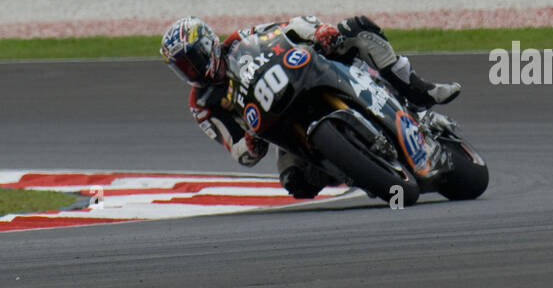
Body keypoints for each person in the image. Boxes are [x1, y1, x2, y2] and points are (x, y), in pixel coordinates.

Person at [160, 16, 462, 199]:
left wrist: (317, 32)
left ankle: (418, 91)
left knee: (357, 28)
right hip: (280, 127)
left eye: (193, 59)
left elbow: (288, 29)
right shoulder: (202, 104)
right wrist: (250, 144)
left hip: (306, 75)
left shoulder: (241, 39)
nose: (192, 70)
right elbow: (236, 150)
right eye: (182, 68)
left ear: (208, 43)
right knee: (296, 183)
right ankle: (357, 165)